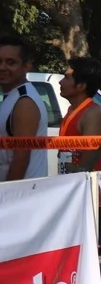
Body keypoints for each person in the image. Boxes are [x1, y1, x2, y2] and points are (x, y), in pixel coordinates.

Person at [0, 36, 46, 182]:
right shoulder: (12, 96)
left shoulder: (24, 101)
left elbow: (21, 159)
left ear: (27, 66)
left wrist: (7, 193)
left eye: (11, 62)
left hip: (22, 192)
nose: (2, 67)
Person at [58, 56, 101, 172]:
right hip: (70, 181)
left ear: (81, 86)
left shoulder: (92, 114)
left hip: (85, 182)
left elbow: (85, 167)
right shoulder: (72, 110)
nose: (60, 82)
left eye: (66, 78)